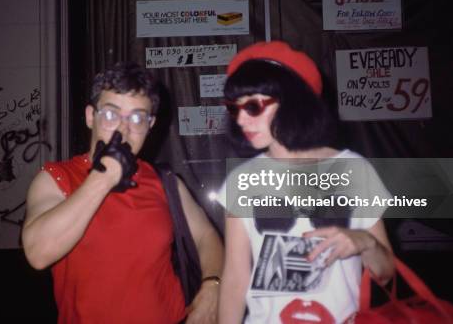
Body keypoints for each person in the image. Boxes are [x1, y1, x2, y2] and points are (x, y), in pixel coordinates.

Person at [22, 62, 224, 324]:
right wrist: (104, 177)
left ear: (150, 125)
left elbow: (207, 235)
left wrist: (212, 285)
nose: (123, 129)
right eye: (110, 115)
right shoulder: (56, 178)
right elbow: (38, 253)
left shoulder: (164, 182)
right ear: (89, 116)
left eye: (137, 118)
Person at [217, 41, 395, 323]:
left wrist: (365, 243)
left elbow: (385, 275)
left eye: (252, 106)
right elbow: (235, 279)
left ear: (293, 102)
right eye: (233, 108)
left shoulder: (354, 170)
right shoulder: (242, 181)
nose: (240, 119)